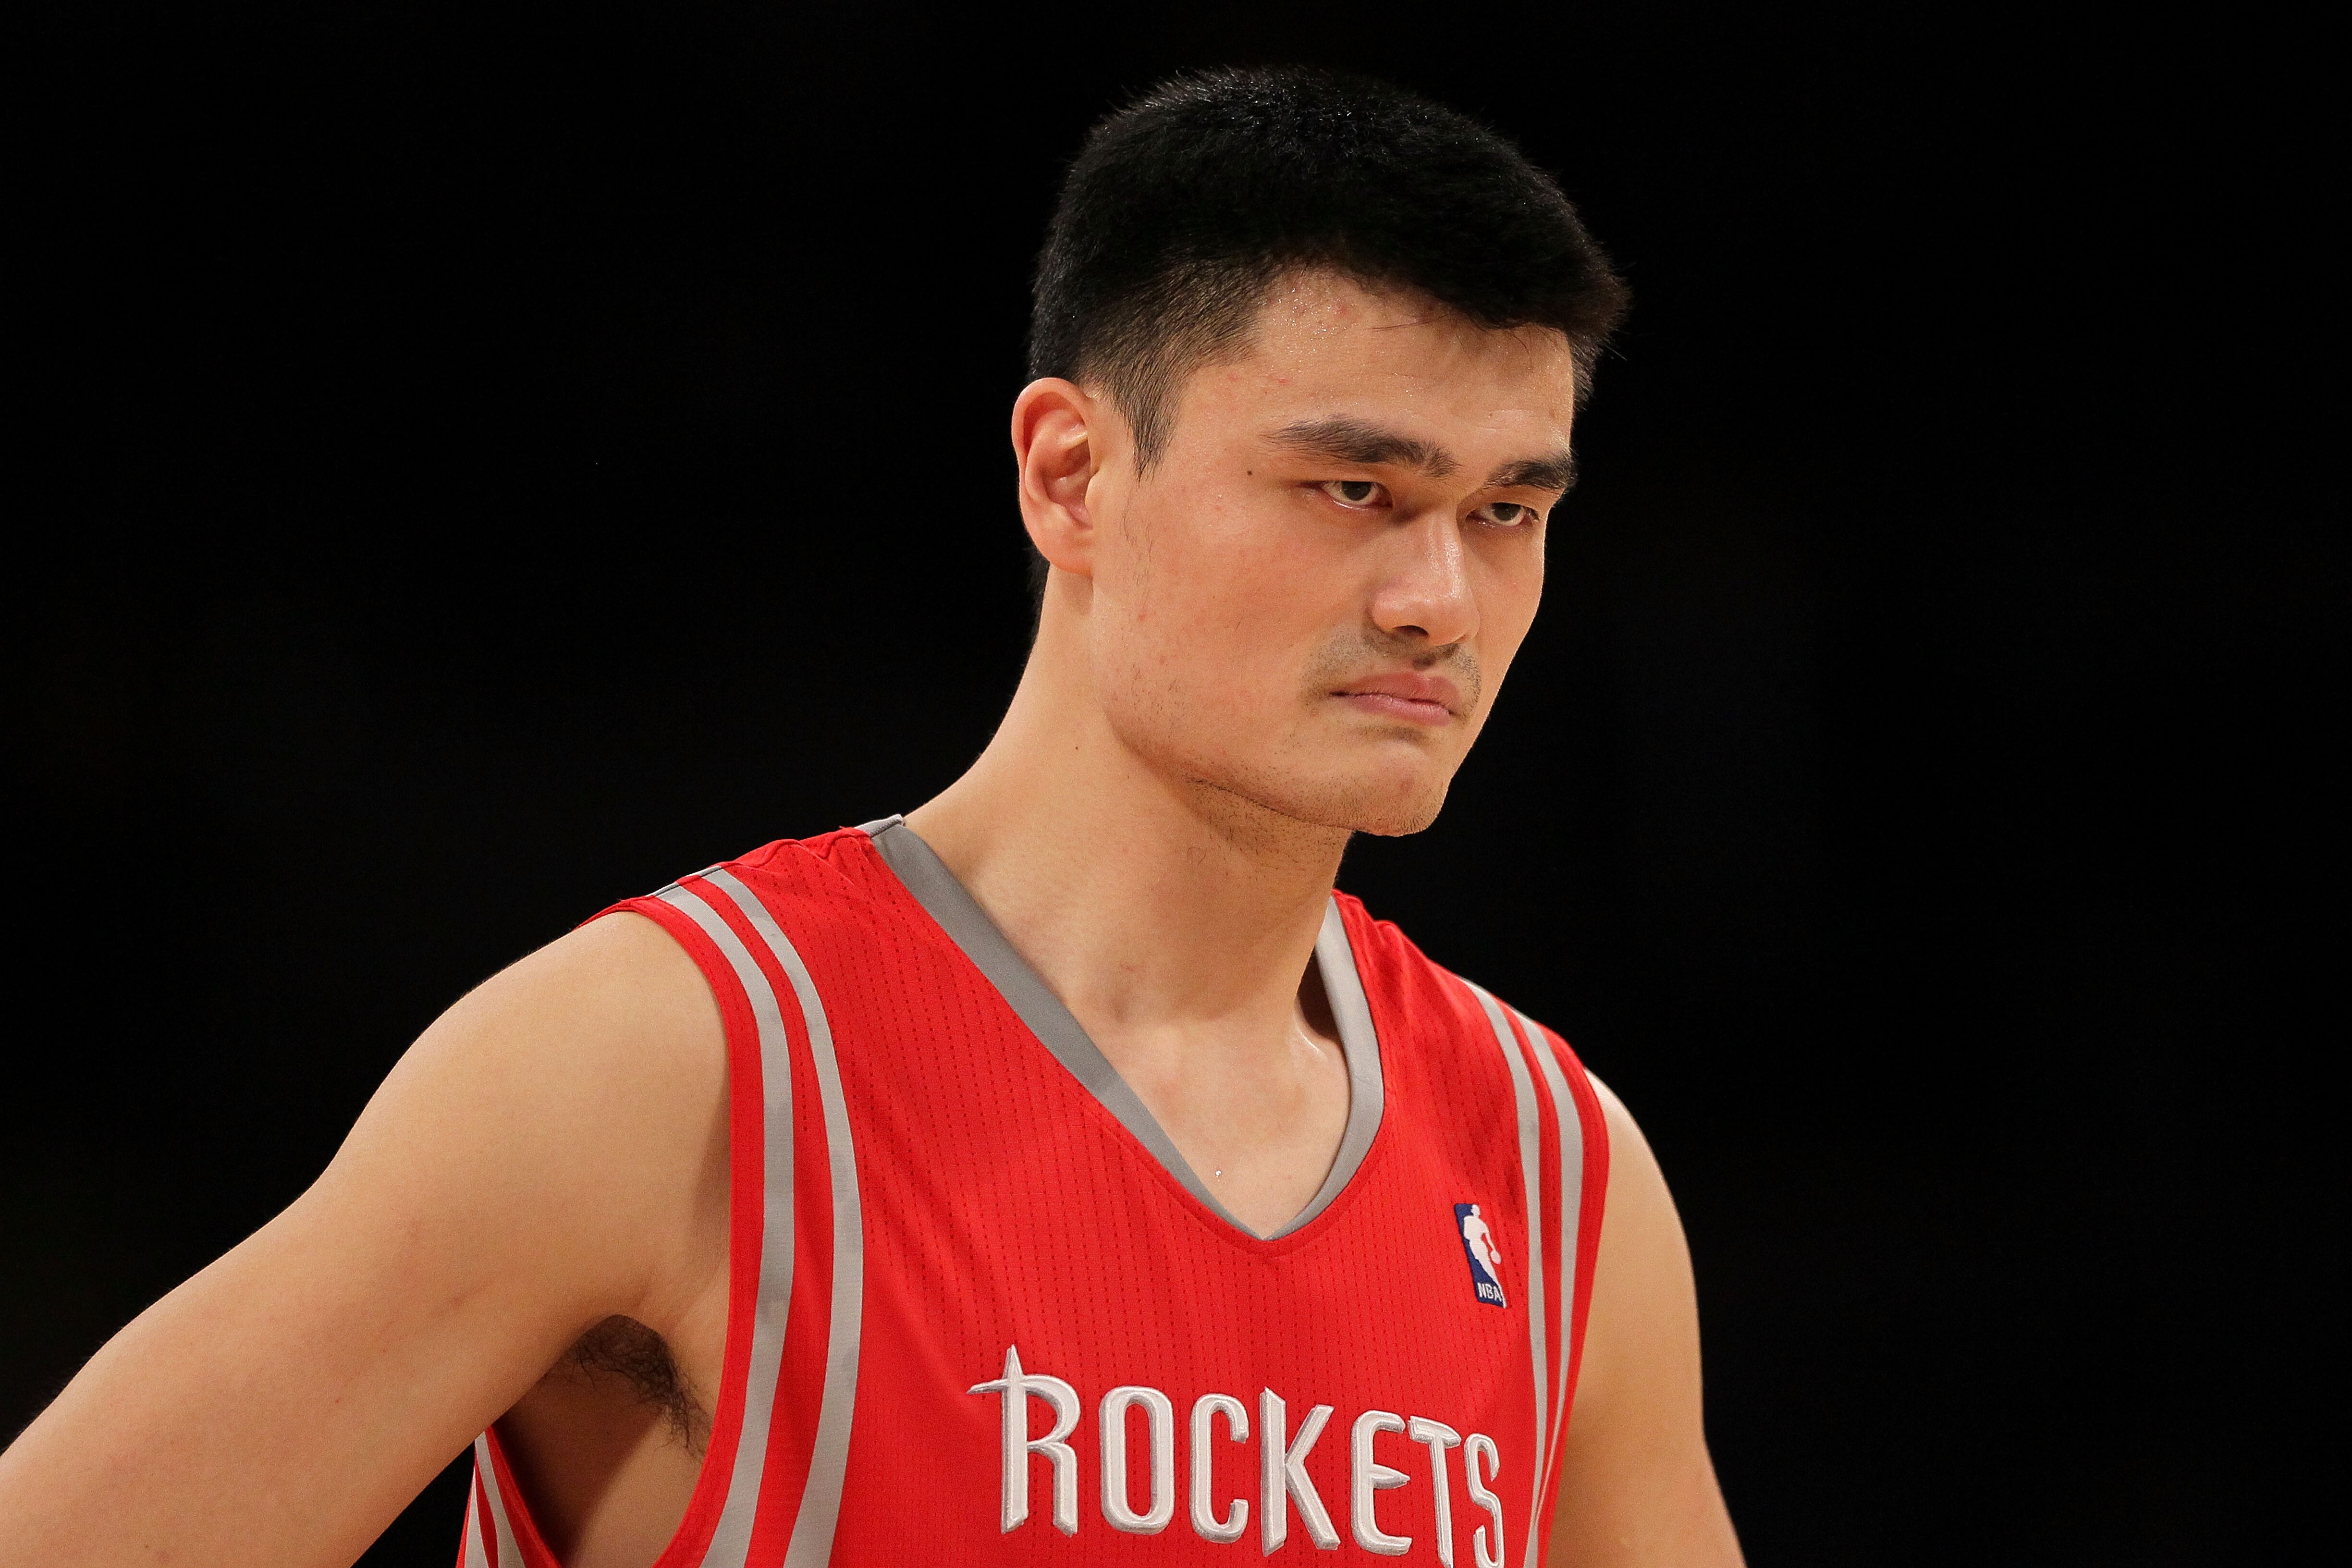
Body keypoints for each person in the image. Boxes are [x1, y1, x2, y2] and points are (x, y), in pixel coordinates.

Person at [0, 67, 1741, 1568]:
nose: (1441, 595)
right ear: (1071, 473)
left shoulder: (1559, 1170)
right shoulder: (667, 1066)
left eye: (1510, 509)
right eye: (1354, 488)